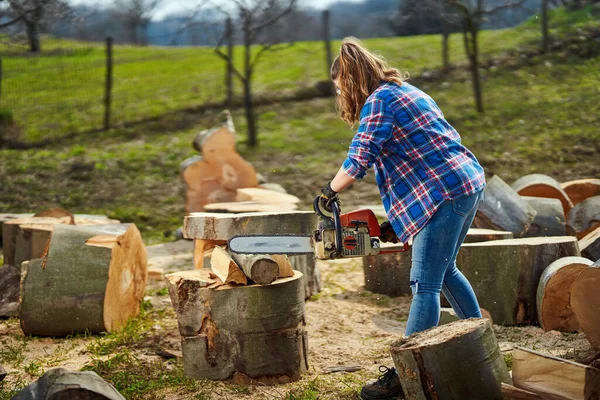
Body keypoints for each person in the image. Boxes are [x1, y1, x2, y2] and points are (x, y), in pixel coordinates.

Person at [319, 37, 487, 400]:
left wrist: (329, 191)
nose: (340, 95)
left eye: (339, 88)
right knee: (446, 271)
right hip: (463, 183)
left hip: (444, 190)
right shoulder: (405, 90)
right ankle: (480, 345)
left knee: (424, 284)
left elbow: (362, 153)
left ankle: (404, 372)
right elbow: (415, 157)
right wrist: (401, 222)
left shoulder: (380, 100)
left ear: (350, 80)